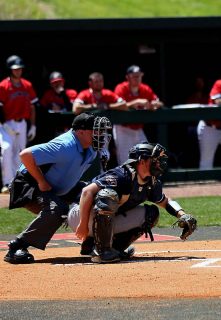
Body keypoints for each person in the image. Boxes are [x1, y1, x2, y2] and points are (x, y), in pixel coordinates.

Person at [3, 113, 112, 264]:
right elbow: (25, 155)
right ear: (81, 132)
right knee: (57, 210)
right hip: (30, 183)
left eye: (102, 131)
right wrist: (41, 181)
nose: (101, 135)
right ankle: (16, 247)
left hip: (58, 185)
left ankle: (92, 242)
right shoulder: (64, 145)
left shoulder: (91, 147)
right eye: (96, 131)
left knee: (100, 195)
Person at [68, 142, 197, 263]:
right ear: (142, 161)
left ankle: (103, 247)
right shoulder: (121, 175)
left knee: (151, 214)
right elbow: (86, 192)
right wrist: (83, 223)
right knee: (108, 196)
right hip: (80, 213)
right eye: (154, 160)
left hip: (102, 218)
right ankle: (102, 252)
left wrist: (182, 215)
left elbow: (164, 201)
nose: (158, 163)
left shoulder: (152, 182)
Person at [0, 55, 38, 193]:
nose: (18, 71)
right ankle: (6, 183)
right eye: (15, 69)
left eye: (20, 69)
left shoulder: (27, 85)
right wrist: (4, 125)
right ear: (10, 69)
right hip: (6, 123)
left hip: (22, 123)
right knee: (7, 149)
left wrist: (32, 125)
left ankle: (17, 183)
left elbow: (33, 106)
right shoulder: (3, 85)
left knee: (21, 153)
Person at [114, 65, 163, 164]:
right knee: (125, 161)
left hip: (138, 128)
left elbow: (159, 103)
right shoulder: (121, 88)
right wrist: (136, 102)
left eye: (139, 76)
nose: (137, 78)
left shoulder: (145, 88)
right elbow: (116, 105)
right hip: (123, 128)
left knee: (146, 156)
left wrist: (153, 105)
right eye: (134, 76)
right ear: (128, 77)